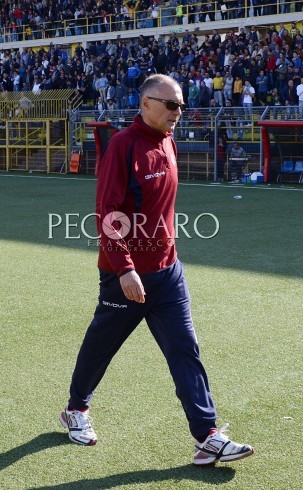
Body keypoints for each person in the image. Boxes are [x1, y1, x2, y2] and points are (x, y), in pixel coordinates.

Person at [59, 74, 254, 466]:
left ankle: (207, 436)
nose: (178, 112)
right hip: (125, 276)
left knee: (186, 350)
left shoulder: (168, 140)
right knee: (102, 346)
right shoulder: (122, 146)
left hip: (168, 273)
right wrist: (126, 269)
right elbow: (108, 214)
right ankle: (75, 409)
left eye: (181, 105)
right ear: (146, 103)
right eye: (171, 105)